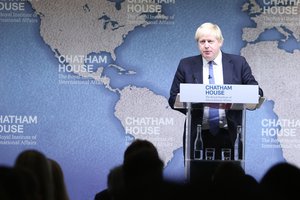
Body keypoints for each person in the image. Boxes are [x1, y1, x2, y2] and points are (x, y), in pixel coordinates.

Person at [168, 22, 263, 160]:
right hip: (198, 134)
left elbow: (256, 92)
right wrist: (195, 105)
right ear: (198, 44)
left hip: (230, 133)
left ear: (220, 42)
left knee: (229, 178)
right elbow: (172, 98)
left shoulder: (238, 63)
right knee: (197, 178)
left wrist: (236, 95)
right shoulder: (186, 65)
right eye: (202, 42)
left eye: (210, 41)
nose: (206, 45)